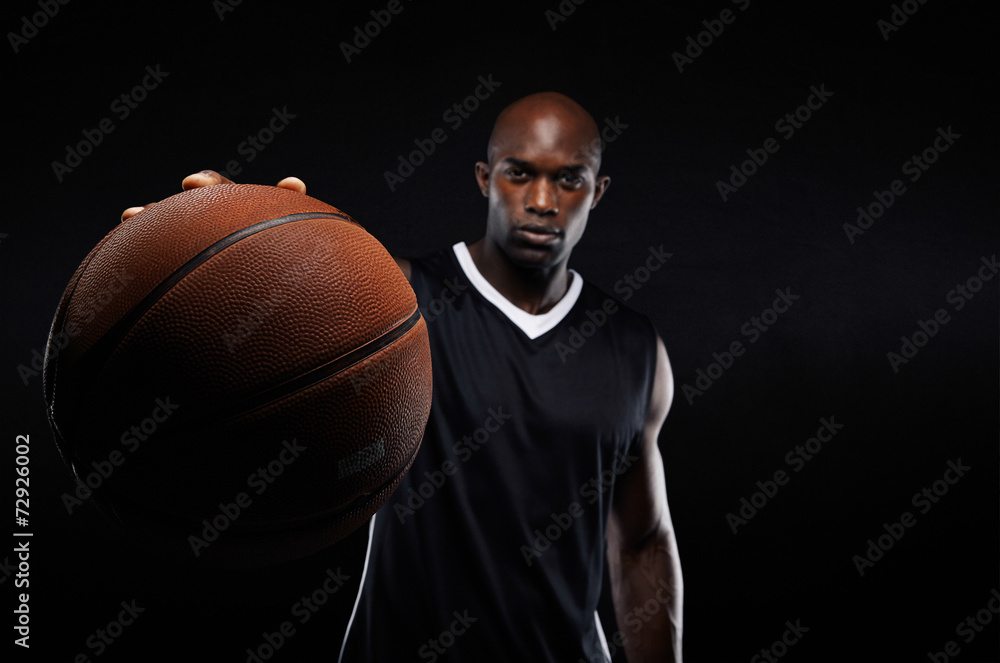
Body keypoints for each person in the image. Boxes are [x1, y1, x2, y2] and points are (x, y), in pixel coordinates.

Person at [124, 91, 683, 662]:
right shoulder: (400, 304)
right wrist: (210, 252)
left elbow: (642, 543)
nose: (542, 201)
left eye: (570, 179)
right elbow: (291, 288)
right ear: (486, 178)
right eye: (520, 174)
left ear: (598, 190)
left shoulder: (635, 348)